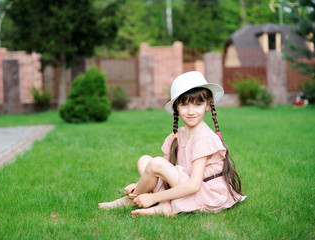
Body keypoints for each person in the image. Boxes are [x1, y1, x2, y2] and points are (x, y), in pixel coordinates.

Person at [99, 71, 246, 216]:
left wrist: (153, 197)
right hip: (185, 181)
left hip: (204, 190)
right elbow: (161, 169)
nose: (190, 111)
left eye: (198, 104)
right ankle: (164, 205)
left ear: (208, 105)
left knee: (156, 163)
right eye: (184, 105)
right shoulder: (178, 135)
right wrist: (140, 185)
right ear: (176, 106)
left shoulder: (203, 138)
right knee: (145, 160)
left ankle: (131, 200)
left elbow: (194, 185)